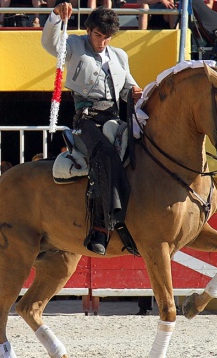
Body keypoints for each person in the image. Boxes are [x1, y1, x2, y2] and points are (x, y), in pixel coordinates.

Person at [42, 4, 143, 255]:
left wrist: (139, 93)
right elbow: (50, 44)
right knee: (105, 155)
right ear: (89, 30)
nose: (102, 42)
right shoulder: (75, 45)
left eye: (107, 37)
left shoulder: (119, 56)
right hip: (86, 120)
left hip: (114, 119)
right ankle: (100, 226)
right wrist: (56, 16)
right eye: (98, 35)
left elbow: (128, 88)